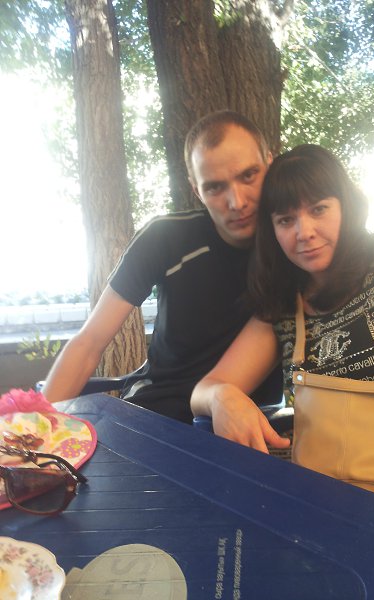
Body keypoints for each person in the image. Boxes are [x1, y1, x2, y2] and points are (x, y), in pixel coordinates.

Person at [191, 144, 374, 511]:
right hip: (325, 491)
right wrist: (222, 397)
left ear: (346, 206)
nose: (305, 232)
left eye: (318, 209)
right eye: (285, 220)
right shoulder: (282, 310)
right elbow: (205, 390)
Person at [43, 110, 284, 425]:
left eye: (248, 175)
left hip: (250, 422)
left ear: (270, 164)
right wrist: (36, 430)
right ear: (196, 190)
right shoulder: (165, 239)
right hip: (154, 413)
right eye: (214, 187)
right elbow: (89, 342)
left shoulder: (296, 250)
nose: (236, 201)